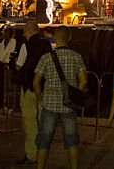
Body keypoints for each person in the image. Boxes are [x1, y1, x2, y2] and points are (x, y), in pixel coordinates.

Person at [32, 26, 86, 169]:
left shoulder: (46, 57)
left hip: (49, 104)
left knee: (44, 141)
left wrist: (40, 98)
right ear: (69, 38)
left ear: (55, 38)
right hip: (68, 106)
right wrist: (76, 95)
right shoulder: (76, 57)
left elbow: (36, 81)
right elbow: (83, 80)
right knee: (72, 141)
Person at [14, 20, 51, 166]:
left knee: (30, 123)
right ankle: (43, 153)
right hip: (44, 88)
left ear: (28, 31)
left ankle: (32, 155)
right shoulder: (47, 44)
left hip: (29, 88)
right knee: (43, 122)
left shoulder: (25, 45)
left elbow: (18, 66)